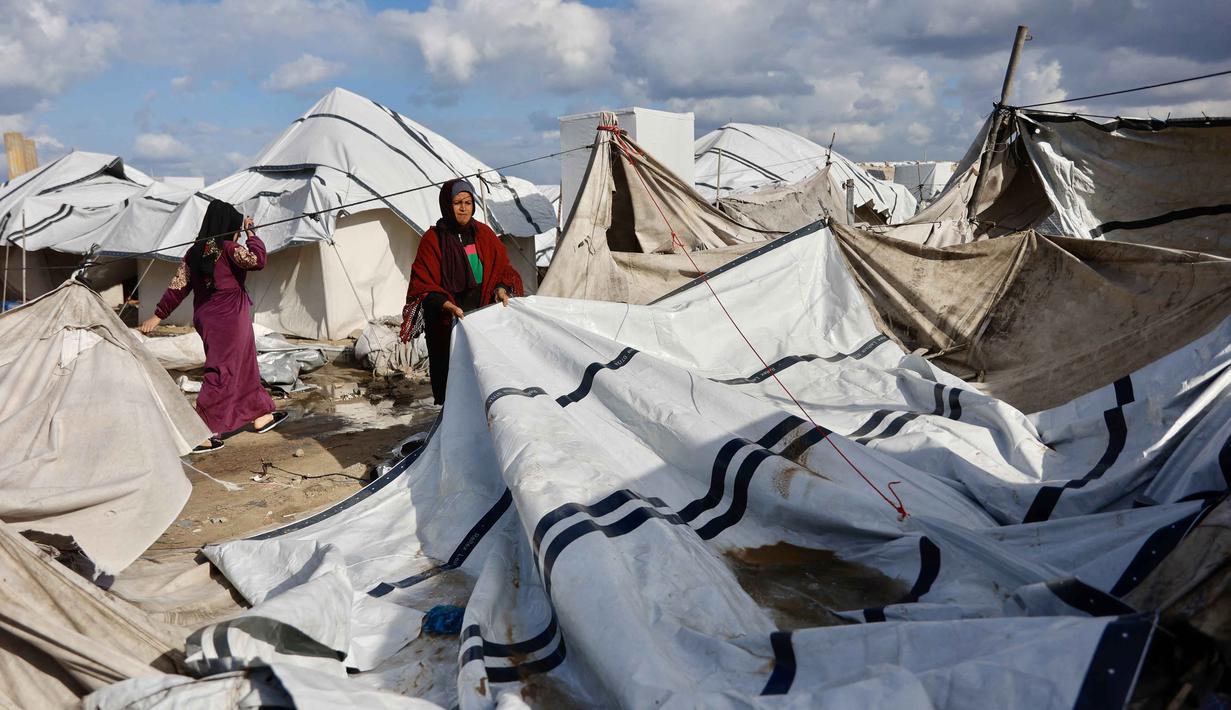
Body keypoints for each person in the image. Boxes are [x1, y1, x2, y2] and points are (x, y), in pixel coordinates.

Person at [140, 200, 286, 452]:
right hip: (230, 319)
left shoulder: (195, 252)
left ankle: (260, 414)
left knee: (243, 365)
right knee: (222, 372)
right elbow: (257, 260)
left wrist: (158, 315)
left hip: (209, 318)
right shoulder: (230, 248)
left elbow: (178, 287)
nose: (238, 233)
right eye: (236, 229)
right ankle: (201, 431)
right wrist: (252, 235)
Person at [400, 178, 523, 404]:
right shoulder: (433, 240)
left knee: (484, 378)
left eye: (468, 202)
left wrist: (501, 289)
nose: (464, 208)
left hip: (482, 320)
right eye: (457, 203)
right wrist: (446, 305)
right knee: (453, 383)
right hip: (447, 322)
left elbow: (503, 270)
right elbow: (422, 285)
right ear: (447, 205)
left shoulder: (483, 234)